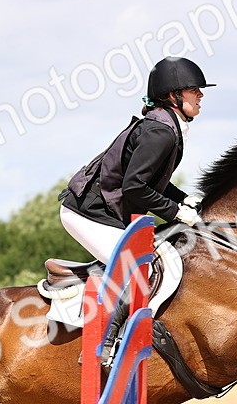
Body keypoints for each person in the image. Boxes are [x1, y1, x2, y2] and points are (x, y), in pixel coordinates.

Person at [58, 56, 215, 364]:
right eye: (194, 90)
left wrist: (184, 199)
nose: (201, 95)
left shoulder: (165, 125)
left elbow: (151, 182)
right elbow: (134, 188)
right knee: (142, 267)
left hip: (101, 212)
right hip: (86, 214)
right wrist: (175, 212)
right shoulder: (160, 131)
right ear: (173, 96)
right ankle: (103, 344)